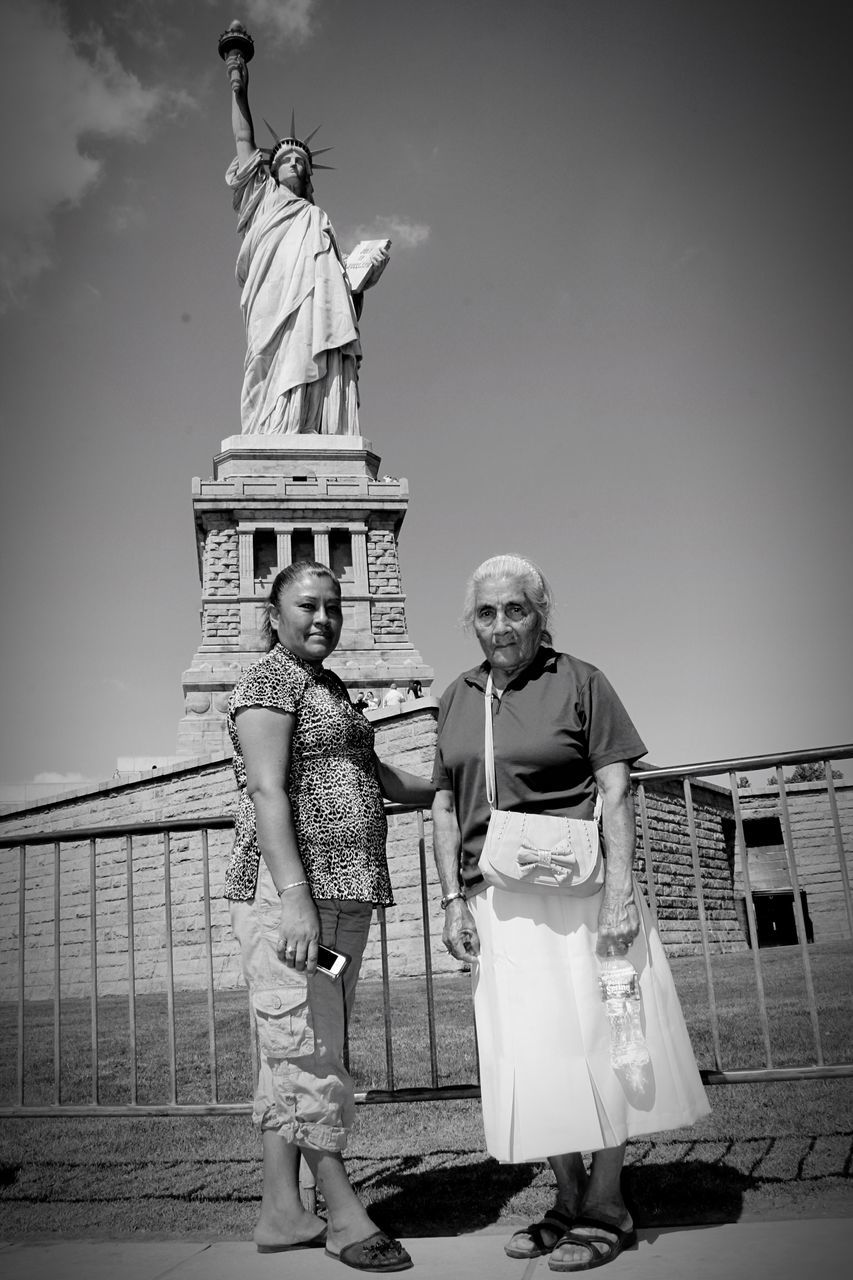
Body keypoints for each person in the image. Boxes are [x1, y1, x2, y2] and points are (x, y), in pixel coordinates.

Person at [431, 554, 709, 1273]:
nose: (501, 626)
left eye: (516, 609)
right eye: (487, 613)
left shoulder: (582, 681)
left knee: (607, 1038)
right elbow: (441, 802)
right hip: (500, 901)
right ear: (472, 621)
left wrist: (620, 893)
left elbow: (615, 790)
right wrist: (452, 898)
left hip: (586, 893)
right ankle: (568, 1194)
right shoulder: (456, 695)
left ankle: (609, 1200)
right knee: (536, 1051)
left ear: (540, 613)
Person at [226, 559, 432, 1270]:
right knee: (307, 1047)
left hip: (345, 899)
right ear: (274, 613)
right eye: (308, 605)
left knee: (303, 1045)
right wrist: (293, 902)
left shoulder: (330, 689)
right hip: (295, 905)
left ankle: (283, 1213)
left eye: (333, 607)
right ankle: (344, 1216)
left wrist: (457, 785)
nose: (323, 618)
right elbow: (266, 791)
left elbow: (378, 778)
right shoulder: (268, 681)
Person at [223, 51, 389, 435]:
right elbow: (243, 139)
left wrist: (366, 274)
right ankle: (269, 429)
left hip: (312, 305)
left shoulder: (317, 219)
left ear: (310, 176)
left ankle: (310, 424)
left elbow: (339, 290)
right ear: (272, 170)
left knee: (313, 348)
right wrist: (238, 86)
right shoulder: (262, 199)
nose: (295, 164)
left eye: (301, 161)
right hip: (272, 295)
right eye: (286, 159)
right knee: (265, 360)